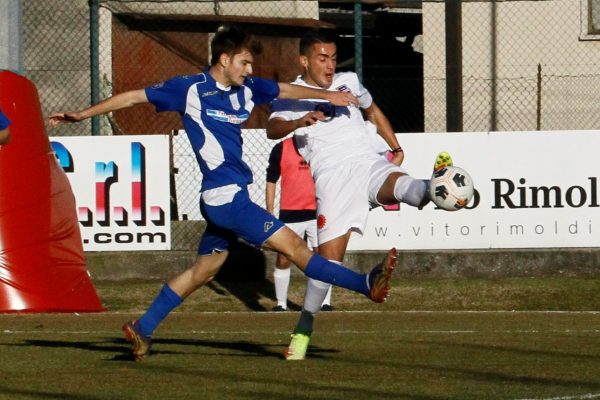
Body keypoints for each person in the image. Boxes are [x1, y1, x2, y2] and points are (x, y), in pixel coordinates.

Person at [49, 25, 397, 362]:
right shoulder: (189, 89)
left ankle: (143, 326)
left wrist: (329, 96)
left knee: (203, 272)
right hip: (228, 199)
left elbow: (286, 91)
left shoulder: (246, 88)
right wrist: (82, 113)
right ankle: (366, 283)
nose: (250, 70)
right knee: (296, 249)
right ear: (224, 59)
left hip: (224, 197)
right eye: (245, 63)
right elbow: (133, 97)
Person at [267, 30, 452, 360]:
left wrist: (395, 146)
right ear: (304, 60)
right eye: (322, 58)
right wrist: (299, 121)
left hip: (367, 163)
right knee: (325, 265)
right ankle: (303, 332)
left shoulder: (349, 81)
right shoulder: (291, 95)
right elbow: (272, 129)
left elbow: (374, 111)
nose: (329, 64)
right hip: (332, 180)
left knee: (403, 184)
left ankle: (433, 188)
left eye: (333, 57)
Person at [265, 136, 332, 312]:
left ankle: (325, 302)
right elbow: (271, 180)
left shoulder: (321, 146)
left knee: (322, 257)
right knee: (283, 258)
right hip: (289, 214)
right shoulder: (281, 148)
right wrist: (269, 210)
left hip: (317, 212)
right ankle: (281, 304)